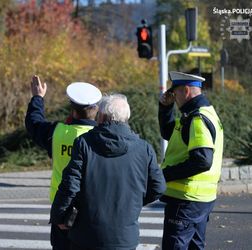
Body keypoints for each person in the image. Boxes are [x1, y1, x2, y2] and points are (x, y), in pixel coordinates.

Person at [51, 94, 166, 250]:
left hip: (86, 235)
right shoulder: (144, 148)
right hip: (124, 237)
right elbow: (158, 187)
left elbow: (70, 184)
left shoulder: (84, 143)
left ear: (102, 116)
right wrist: (133, 202)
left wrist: (59, 217)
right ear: (126, 117)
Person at [25, 75, 102, 250]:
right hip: (93, 212)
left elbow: (34, 123)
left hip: (63, 211)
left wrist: (38, 98)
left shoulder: (57, 133)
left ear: (73, 109)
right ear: (96, 109)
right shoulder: (101, 137)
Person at [158, 71, 224, 250]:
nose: (174, 97)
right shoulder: (199, 113)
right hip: (200, 200)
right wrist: (165, 108)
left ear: (186, 91)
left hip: (186, 199)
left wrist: (166, 174)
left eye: (175, 93)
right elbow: (169, 134)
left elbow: (202, 160)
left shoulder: (197, 118)